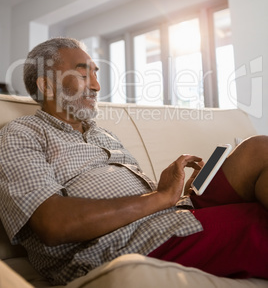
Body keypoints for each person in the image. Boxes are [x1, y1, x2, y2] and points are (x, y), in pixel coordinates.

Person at [0, 37, 267, 285]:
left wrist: (174, 191)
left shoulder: (104, 134)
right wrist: (160, 197)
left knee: (257, 148)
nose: (96, 86)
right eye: (83, 74)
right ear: (46, 85)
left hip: (172, 214)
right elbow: (52, 224)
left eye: (95, 74)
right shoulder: (20, 134)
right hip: (128, 244)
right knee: (258, 220)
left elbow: (148, 201)